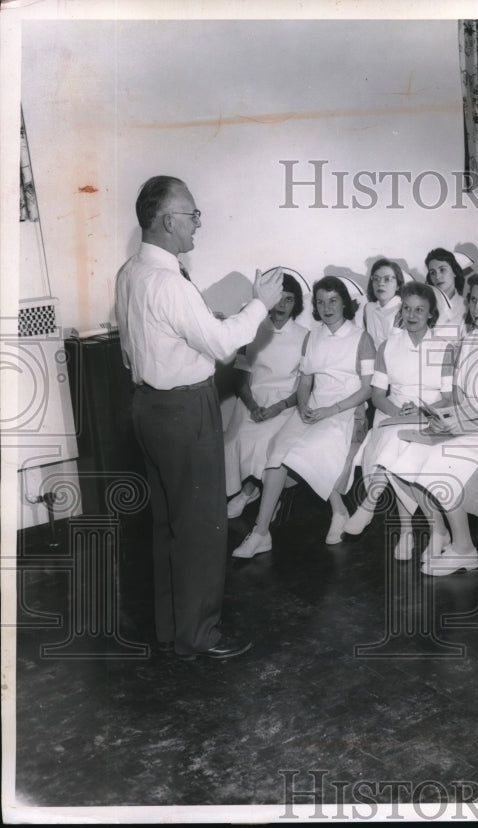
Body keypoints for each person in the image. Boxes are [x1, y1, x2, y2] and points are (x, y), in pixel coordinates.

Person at [115, 175, 284, 660]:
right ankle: (200, 635)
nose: (198, 223)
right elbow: (221, 344)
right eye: (192, 215)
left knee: (169, 522)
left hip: (147, 406)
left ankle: (174, 629)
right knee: (203, 526)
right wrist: (260, 304)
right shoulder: (169, 282)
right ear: (168, 221)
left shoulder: (129, 272)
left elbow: (132, 350)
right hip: (185, 410)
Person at [389, 273, 478, 576]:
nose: (476, 306)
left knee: (443, 462)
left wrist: (471, 424)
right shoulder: (468, 337)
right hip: (471, 421)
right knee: (421, 455)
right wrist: (450, 419)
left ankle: (465, 549)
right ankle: (462, 546)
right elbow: (460, 394)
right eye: (472, 300)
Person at [231, 276, 376, 557]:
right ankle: (261, 534)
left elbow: (368, 389)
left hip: (344, 411)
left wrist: (331, 411)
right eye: (320, 302)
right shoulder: (313, 336)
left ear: (344, 303)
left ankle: (339, 512)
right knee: (276, 455)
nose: (327, 307)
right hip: (312, 408)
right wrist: (301, 407)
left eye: (333, 300)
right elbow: (306, 381)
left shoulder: (361, 338)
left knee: (308, 451)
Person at [342, 282, 454, 559]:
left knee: (397, 445)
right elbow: (378, 395)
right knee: (395, 440)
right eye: (407, 308)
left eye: (420, 310)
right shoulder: (388, 345)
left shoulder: (444, 348)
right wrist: (397, 413)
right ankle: (428, 529)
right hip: (392, 413)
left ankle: (373, 507)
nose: (412, 315)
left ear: (430, 314)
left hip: (431, 415)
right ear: (401, 311)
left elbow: (449, 398)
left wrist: (419, 411)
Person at [224, 270, 309, 519]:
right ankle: (250, 491)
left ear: (296, 305)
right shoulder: (251, 331)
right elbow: (240, 381)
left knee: (267, 442)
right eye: (278, 298)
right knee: (233, 440)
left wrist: (279, 406)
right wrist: (252, 406)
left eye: (289, 299)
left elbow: (305, 385)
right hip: (253, 398)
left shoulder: (305, 337)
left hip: (288, 402)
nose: (282, 305)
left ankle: (259, 494)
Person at [363, 258, 406, 349]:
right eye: (376, 279)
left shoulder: (404, 309)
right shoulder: (369, 308)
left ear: (398, 285)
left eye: (387, 279)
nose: (380, 283)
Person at [424, 248, 467, 334]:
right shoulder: (426, 305)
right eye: (432, 272)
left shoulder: (467, 307)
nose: (437, 277)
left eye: (442, 270)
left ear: (454, 272)